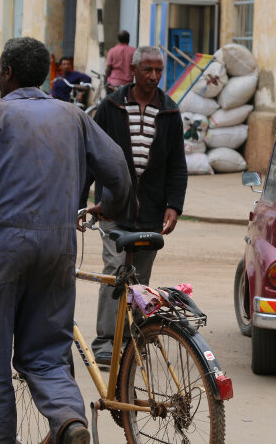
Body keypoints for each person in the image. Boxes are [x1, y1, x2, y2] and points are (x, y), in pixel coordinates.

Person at [0, 37, 131, 444]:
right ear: (48, 76)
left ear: (7, 74)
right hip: (58, 247)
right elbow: (117, 169)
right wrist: (108, 206)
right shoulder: (75, 116)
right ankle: (70, 420)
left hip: (2, 245)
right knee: (48, 351)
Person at [84, 45, 188, 365]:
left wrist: (174, 205)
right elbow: (92, 157)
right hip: (114, 210)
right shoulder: (111, 107)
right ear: (133, 70)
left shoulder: (170, 112)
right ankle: (105, 340)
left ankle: (132, 339)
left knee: (140, 281)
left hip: (152, 213)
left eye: (159, 71)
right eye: (148, 70)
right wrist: (80, 200)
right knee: (115, 272)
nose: (154, 76)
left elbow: (177, 165)